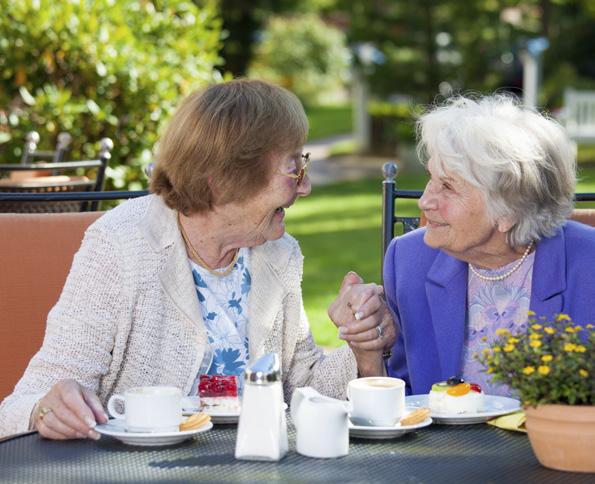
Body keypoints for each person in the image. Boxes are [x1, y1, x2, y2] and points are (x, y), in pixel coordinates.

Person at [0, 79, 395, 440]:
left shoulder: (278, 253)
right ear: (223, 180)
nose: (305, 186)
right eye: (294, 170)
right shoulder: (120, 246)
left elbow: (300, 387)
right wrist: (46, 409)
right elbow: (27, 402)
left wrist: (362, 349)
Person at [384, 94, 595, 396]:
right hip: (449, 445)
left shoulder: (588, 265)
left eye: (448, 186)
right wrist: (370, 351)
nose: (424, 201)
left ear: (509, 209)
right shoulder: (409, 260)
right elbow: (403, 397)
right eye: (431, 178)